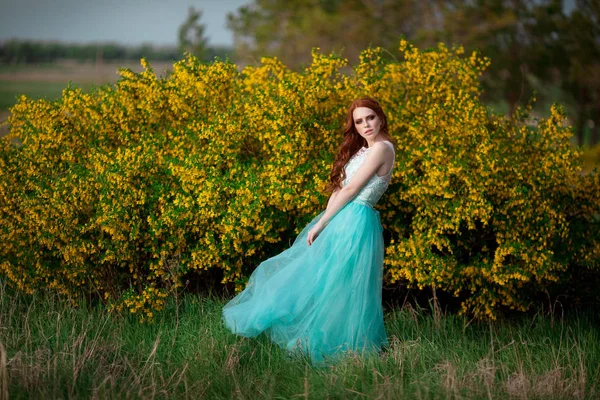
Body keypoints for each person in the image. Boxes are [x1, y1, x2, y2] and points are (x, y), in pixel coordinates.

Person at [222, 97, 396, 365]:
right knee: (322, 279)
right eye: (359, 121)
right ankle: (315, 337)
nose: (365, 125)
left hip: (357, 220)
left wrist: (322, 222)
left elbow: (351, 191)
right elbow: (341, 187)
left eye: (370, 118)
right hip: (343, 217)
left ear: (381, 117)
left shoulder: (382, 149)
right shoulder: (365, 150)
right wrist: (326, 219)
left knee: (343, 284)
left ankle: (341, 346)